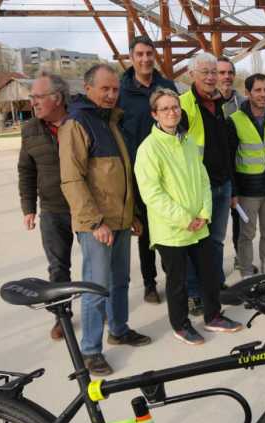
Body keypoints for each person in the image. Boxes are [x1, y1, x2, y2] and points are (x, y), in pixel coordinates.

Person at [59, 64, 151, 376]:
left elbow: (123, 173)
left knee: (121, 280)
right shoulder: (77, 123)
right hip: (97, 224)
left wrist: (133, 213)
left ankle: (120, 329)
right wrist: (94, 222)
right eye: (105, 89)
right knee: (96, 287)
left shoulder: (112, 121)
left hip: (121, 219)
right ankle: (90, 351)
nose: (112, 95)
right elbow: (72, 180)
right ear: (89, 89)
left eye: (115, 89)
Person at [134, 88, 243, 345]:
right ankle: (181, 325)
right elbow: (152, 194)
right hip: (172, 230)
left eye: (175, 107)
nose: (172, 112)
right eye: (165, 108)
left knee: (209, 272)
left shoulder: (189, 142)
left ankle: (213, 315)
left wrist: (205, 213)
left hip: (199, 224)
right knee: (178, 281)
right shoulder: (148, 149)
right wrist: (185, 219)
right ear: (154, 114)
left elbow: (203, 180)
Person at [118, 35, 178, 305]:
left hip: (167, 168)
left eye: (149, 54)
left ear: (155, 56)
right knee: (145, 232)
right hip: (138, 171)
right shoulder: (121, 91)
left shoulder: (166, 85)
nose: (145, 59)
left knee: (168, 225)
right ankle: (150, 282)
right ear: (131, 57)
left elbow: (178, 118)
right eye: (139, 54)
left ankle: (173, 275)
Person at [18, 72, 75, 340]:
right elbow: (26, 170)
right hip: (52, 210)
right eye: (32, 98)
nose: (34, 103)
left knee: (97, 266)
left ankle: (100, 308)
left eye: (38, 97)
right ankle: (61, 317)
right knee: (57, 268)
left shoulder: (80, 121)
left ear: (57, 98)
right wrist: (28, 207)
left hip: (85, 209)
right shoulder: (30, 130)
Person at [179, 52, 237, 315]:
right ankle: (194, 293)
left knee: (215, 241)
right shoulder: (183, 106)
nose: (212, 77)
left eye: (214, 72)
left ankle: (214, 284)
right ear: (192, 75)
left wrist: (232, 186)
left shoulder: (223, 104)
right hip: (196, 189)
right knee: (193, 243)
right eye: (206, 72)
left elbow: (228, 147)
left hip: (223, 184)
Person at [229, 74, 265, 276]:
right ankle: (246, 273)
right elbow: (230, 159)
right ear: (247, 93)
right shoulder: (235, 120)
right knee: (247, 235)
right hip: (248, 190)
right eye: (258, 90)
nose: (263, 94)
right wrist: (233, 191)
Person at [216, 55, 253, 273]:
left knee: (240, 220)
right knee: (215, 226)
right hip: (214, 173)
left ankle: (241, 257)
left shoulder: (243, 104)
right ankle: (215, 269)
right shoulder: (206, 103)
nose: (226, 77)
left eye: (230, 72)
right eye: (221, 73)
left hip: (239, 171)